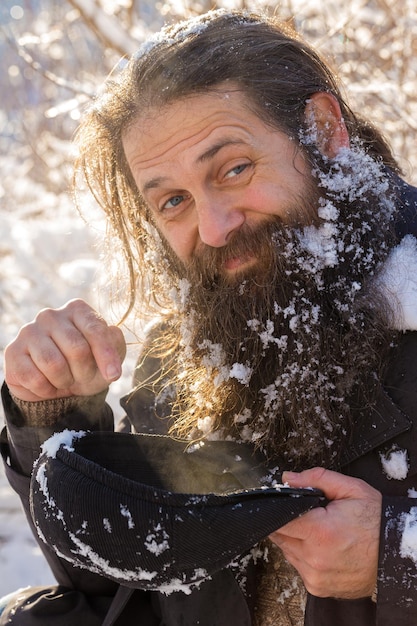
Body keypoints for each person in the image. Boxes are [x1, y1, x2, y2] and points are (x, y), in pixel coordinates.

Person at [1, 8, 417, 626]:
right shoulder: (187, 355)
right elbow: (117, 594)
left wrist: (399, 562)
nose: (214, 228)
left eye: (234, 169)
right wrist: (57, 423)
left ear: (323, 130)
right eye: (174, 201)